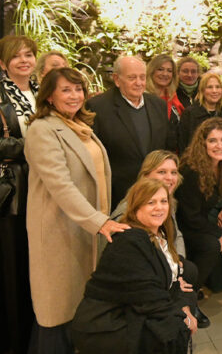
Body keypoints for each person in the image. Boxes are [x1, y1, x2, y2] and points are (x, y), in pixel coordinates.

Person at [25, 67, 129, 353]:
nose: (75, 96)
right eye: (66, 90)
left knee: (79, 314)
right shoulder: (42, 130)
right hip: (60, 234)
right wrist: (99, 222)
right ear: (49, 97)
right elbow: (61, 186)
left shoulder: (80, 127)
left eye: (78, 89)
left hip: (86, 232)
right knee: (56, 315)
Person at [71, 178, 196, 353]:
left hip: (134, 311)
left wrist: (185, 309)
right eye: (150, 202)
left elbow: (171, 283)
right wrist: (182, 318)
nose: (159, 207)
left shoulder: (160, 234)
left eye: (163, 201)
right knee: (172, 331)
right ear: (136, 207)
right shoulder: (130, 240)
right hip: (108, 325)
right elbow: (146, 294)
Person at [175, 118, 222, 328]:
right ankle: (189, 299)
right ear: (202, 144)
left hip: (199, 220)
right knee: (212, 245)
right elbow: (189, 216)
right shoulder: (191, 169)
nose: (219, 145)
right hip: (183, 225)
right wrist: (217, 233)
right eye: (212, 140)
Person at [87, 55, 176, 209]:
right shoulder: (98, 107)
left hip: (155, 195)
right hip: (118, 196)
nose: (139, 83)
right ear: (116, 79)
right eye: (132, 78)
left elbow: (166, 147)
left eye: (142, 77)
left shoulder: (158, 105)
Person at [0, 35, 37, 354]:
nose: (24, 60)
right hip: (15, 193)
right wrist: (36, 149)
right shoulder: (1, 96)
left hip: (45, 187)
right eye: (16, 56)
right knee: (16, 268)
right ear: (3, 63)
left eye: (29, 54)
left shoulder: (42, 91)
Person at [178, 71, 222, 153]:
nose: (214, 91)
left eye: (218, 87)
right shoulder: (190, 113)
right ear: (202, 91)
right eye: (210, 87)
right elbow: (183, 144)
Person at [146, 54, 184, 121]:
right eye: (160, 69)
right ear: (152, 71)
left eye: (169, 71)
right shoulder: (142, 97)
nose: (165, 74)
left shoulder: (172, 96)